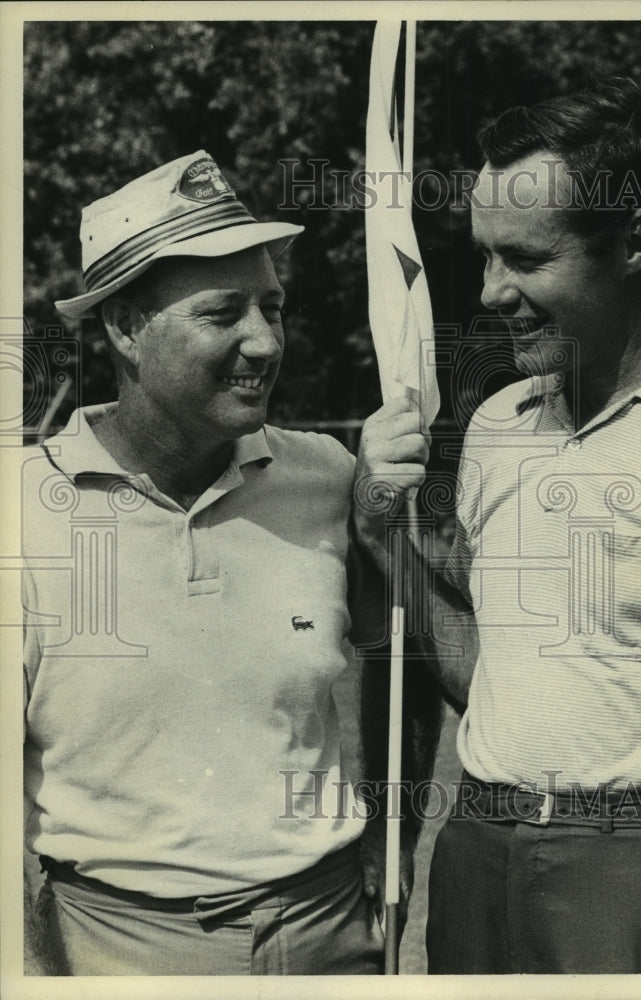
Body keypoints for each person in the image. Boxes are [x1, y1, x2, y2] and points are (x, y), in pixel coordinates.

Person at [353, 76, 641, 974]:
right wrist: (379, 536)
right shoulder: (501, 425)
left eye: (527, 259)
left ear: (633, 241)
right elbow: (487, 675)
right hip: (475, 862)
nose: (493, 292)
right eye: (483, 258)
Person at [21, 150, 425, 976]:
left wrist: (396, 825)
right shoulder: (20, 511)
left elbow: (401, 655)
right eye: (223, 313)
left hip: (332, 935)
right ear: (126, 328)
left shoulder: (328, 477)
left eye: (273, 307)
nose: (264, 341)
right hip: (116, 950)